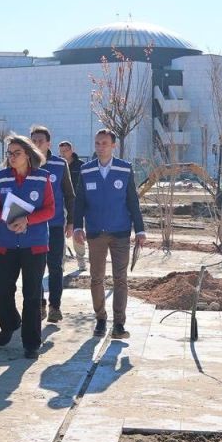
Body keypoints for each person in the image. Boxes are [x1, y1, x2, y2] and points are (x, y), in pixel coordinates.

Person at [72, 129, 145, 340]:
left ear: (113, 145)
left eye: (104, 143)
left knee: (120, 279)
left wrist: (140, 229)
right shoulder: (86, 170)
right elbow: (79, 201)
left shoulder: (124, 168)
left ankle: (119, 324)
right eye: (97, 143)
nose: (100, 147)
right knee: (96, 278)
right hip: (95, 233)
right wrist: (77, 227)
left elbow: (132, 201)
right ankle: (101, 319)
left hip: (120, 232)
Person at [0, 134, 55, 359]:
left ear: (28, 155)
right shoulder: (2, 178)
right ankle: (10, 323)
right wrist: (6, 218)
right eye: (9, 153)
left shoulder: (42, 177)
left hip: (34, 244)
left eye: (16, 153)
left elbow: (50, 210)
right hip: (7, 244)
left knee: (32, 294)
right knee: (2, 290)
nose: (12, 157)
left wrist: (27, 220)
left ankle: (31, 343)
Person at [30, 126, 75, 323]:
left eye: (40, 140)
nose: (37, 144)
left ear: (48, 143)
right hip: (32, 225)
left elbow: (69, 195)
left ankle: (55, 306)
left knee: (55, 266)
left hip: (55, 225)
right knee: (35, 268)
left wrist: (71, 221)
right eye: (33, 140)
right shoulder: (26, 163)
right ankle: (39, 304)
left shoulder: (59, 164)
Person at [58, 140, 87, 272]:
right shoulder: (58, 165)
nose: (64, 153)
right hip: (60, 204)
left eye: (66, 150)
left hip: (76, 205)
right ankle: (61, 263)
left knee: (77, 233)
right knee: (60, 235)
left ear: (72, 150)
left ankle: (81, 261)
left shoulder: (81, 166)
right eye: (61, 151)